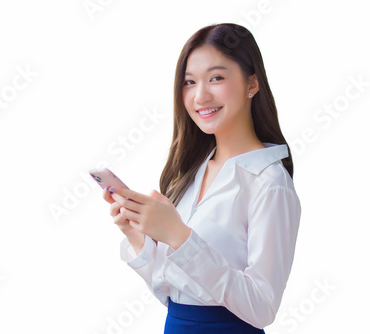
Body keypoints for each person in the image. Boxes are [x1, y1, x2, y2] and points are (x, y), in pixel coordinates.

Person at [102, 23, 301, 333]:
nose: (200, 95)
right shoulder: (192, 172)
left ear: (252, 83)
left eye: (217, 78)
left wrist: (180, 237)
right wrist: (138, 235)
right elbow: (174, 293)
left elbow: (262, 308)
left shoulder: (269, 183)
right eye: (189, 82)